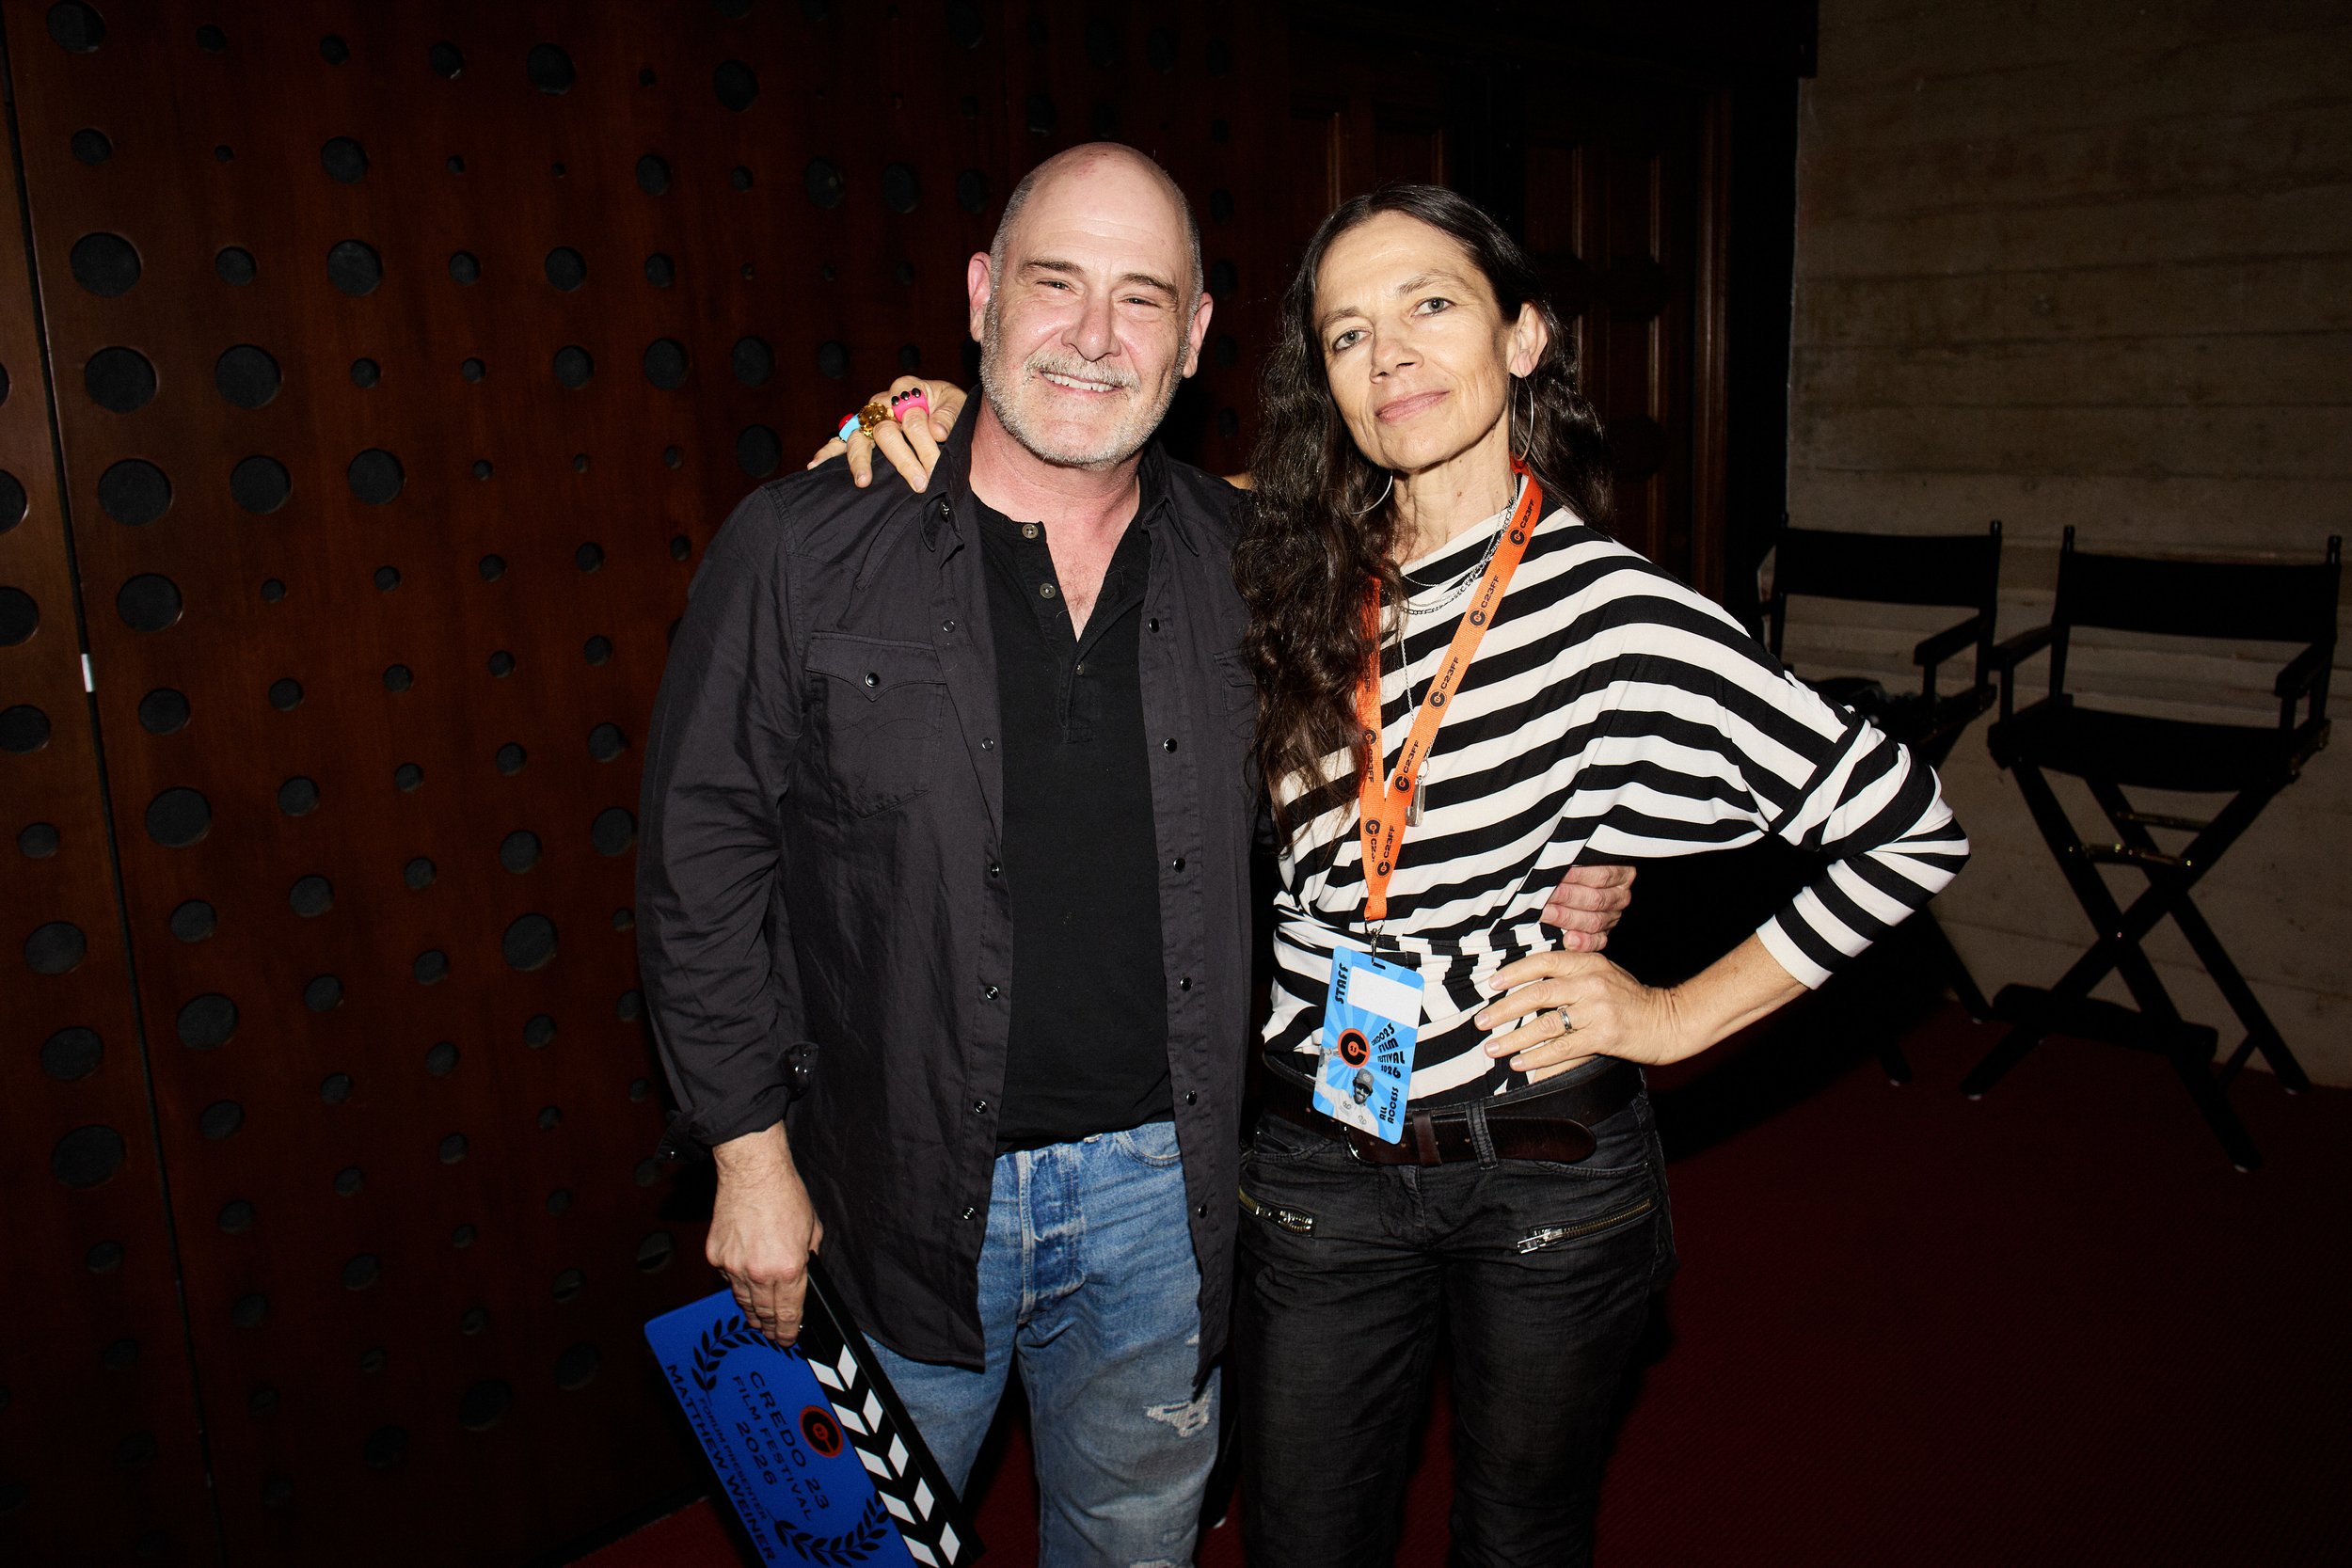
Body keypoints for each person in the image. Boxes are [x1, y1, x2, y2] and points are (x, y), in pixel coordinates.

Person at [640, 146, 1632, 1567]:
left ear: (1198, 337)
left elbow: (1471, 703)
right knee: (857, 1557)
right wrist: (746, 1160)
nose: (1096, 336)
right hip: (890, 1192)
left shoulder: (1259, 566)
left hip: (1166, 1208)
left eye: (1142, 299)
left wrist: (1595, 856)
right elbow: (698, 860)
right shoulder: (805, 548)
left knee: (1134, 1548)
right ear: (982, 296)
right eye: (1055, 286)